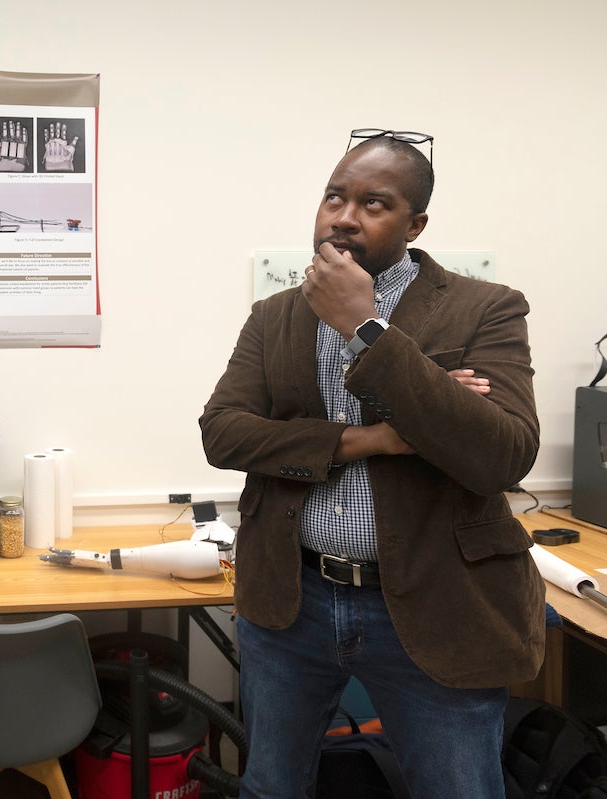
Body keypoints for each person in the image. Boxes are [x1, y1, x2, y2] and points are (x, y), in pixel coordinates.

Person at [200, 130, 544, 798]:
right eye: (335, 195)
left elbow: (502, 453)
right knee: (271, 786)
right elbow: (225, 433)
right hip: (291, 603)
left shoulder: (486, 308)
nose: (345, 215)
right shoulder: (275, 316)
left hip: (437, 604)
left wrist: (368, 326)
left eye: (374, 203)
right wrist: (377, 439)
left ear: (415, 224)